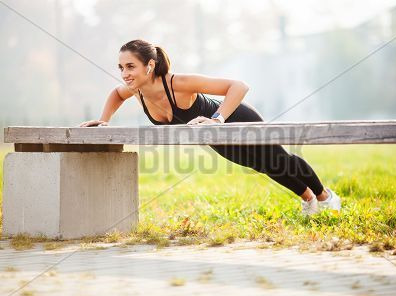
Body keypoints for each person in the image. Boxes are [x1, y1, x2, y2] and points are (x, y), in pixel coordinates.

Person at [79, 39, 341, 215]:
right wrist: (104, 120)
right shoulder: (135, 90)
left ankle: (325, 198)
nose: (125, 73)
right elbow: (116, 93)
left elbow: (238, 86)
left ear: (149, 66)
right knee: (261, 166)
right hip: (214, 135)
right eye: (121, 67)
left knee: (277, 159)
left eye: (130, 66)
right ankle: (308, 200)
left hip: (234, 117)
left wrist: (217, 120)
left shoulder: (177, 83)